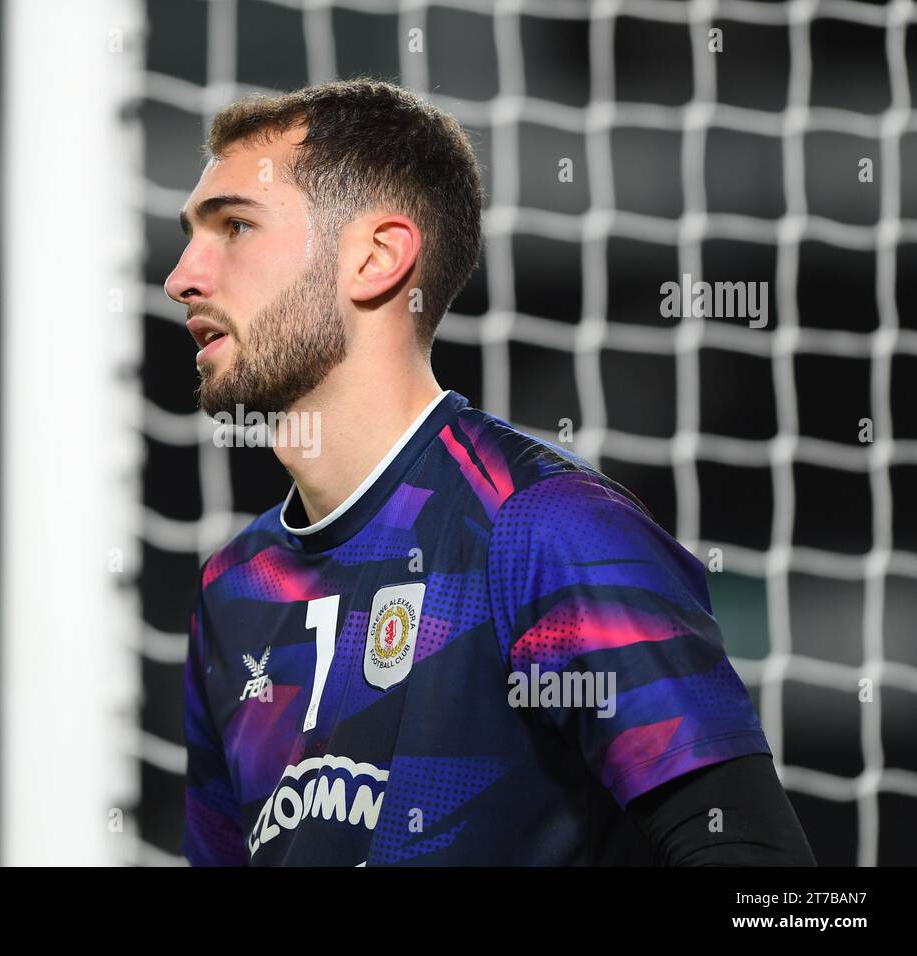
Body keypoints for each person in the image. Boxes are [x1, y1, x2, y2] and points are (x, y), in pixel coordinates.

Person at [167, 78, 815, 866]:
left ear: (376, 258)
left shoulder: (543, 527)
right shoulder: (233, 588)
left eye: (233, 225)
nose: (183, 276)